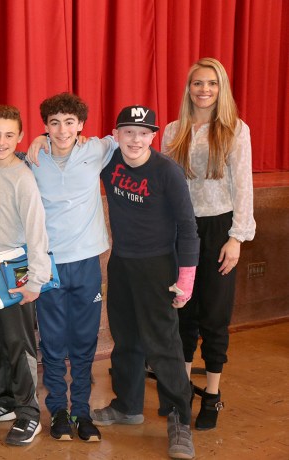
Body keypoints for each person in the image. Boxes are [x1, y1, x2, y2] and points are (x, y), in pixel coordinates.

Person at [92, 106, 200, 460]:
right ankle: (127, 405)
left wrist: (186, 277)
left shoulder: (167, 171)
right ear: (116, 134)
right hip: (122, 262)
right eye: (128, 132)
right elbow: (74, 147)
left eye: (143, 133)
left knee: (163, 344)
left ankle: (180, 419)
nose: (135, 139)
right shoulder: (110, 164)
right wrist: (42, 143)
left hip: (158, 267)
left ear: (153, 136)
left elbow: (187, 227)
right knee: (125, 339)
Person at [162, 57, 255, 430]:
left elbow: (243, 187)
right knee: (183, 312)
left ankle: (212, 396)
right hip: (182, 231)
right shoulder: (173, 130)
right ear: (188, 89)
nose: (204, 90)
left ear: (221, 89)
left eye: (212, 84)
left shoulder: (235, 129)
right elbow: (168, 187)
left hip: (219, 230)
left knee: (215, 317)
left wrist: (236, 237)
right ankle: (182, 391)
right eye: (198, 83)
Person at [23, 93, 117, 443]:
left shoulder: (96, 150)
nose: (62, 130)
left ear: (81, 126)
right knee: (52, 342)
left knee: (84, 340)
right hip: (49, 265)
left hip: (87, 263)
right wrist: (36, 141)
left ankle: (82, 410)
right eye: (54, 123)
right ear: (45, 127)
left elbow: (123, 136)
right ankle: (59, 410)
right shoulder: (34, 157)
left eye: (69, 122)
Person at [0, 105, 50, 445]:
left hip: (15, 276)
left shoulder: (23, 177)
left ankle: (29, 412)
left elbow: (37, 231)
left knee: (20, 345)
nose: (1, 141)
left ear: (19, 138)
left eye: (9, 135)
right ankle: (3, 400)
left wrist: (35, 280)